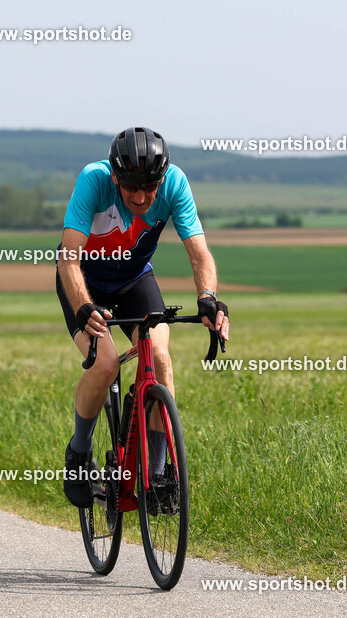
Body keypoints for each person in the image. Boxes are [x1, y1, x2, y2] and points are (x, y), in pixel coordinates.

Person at [55, 126, 230, 507]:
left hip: (134, 280)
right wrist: (84, 307)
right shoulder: (94, 180)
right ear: (115, 177)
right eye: (131, 187)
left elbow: (199, 254)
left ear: (162, 178)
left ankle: (156, 476)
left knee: (160, 358)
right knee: (104, 365)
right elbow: (68, 258)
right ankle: (79, 453)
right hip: (83, 281)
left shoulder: (175, 184)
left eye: (149, 187)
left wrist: (208, 297)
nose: (140, 196)